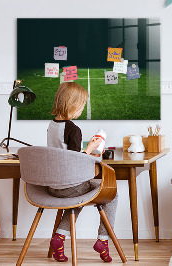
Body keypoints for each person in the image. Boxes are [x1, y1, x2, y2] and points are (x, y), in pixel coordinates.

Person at [47, 82, 118, 263]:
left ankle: (59, 238)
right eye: (82, 105)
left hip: (53, 187)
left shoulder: (52, 125)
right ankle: (103, 240)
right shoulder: (73, 129)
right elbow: (75, 161)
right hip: (70, 186)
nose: (82, 109)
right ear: (73, 105)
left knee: (77, 198)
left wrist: (88, 150)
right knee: (112, 194)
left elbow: (64, 155)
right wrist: (91, 149)